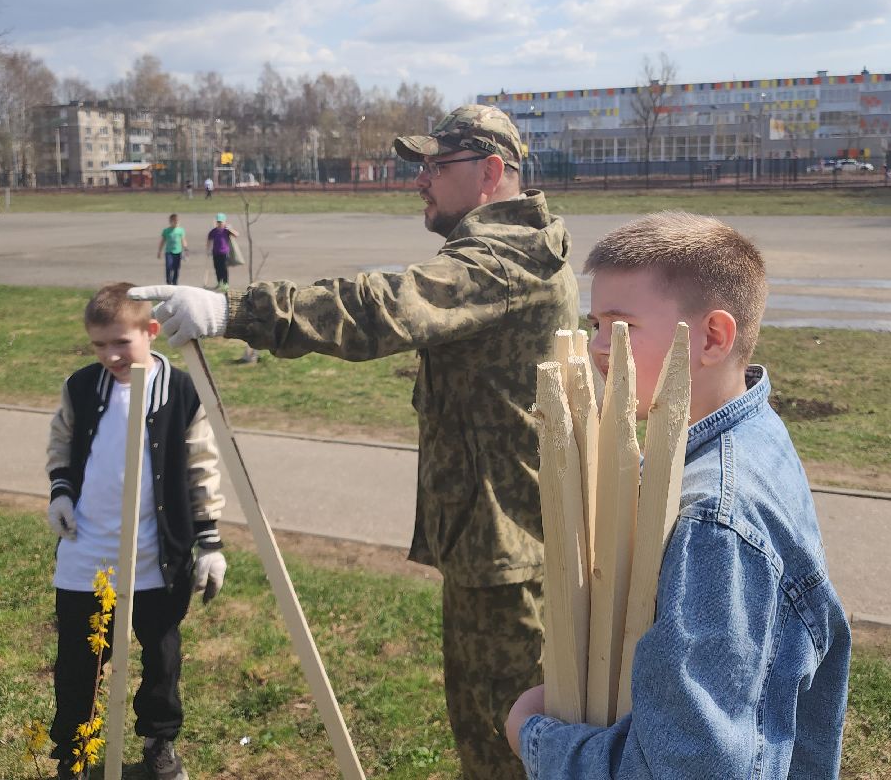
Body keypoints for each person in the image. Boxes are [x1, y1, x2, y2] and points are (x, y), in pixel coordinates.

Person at [132, 105, 579, 780]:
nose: (420, 180)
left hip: (511, 550)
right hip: (494, 542)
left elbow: (387, 307)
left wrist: (237, 311)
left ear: (492, 172)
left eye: (436, 165)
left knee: (505, 749)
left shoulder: (508, 259)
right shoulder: (503, 251)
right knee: (485, 738)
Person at [505, 212, 850, 779]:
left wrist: (535, 737)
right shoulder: (752, 430)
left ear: (712, 337)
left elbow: (689, 769)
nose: (595, 348)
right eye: (593, 325)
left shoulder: (711, 521)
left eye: (619, 327)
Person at [44, 283, 227, 780]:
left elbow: (202, 467)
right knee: (79, 661)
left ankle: (158, 744)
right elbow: (61, 441)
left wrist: (209, 541)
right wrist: (61, 493)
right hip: (87, 550)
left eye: (121, 342)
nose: (110, 355)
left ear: (150, 331)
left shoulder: (182, 392)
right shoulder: (81, 387)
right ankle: (75, 754)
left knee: (162, 655)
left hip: (155, 553)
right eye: (99, 345)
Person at [206, 213, 237, 290]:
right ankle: (220, 282)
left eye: (221, 222)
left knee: (224, 269)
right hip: (215, 252)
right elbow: (209, 240)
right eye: (218, 222)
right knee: (217, 268)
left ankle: (226, 283)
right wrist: (208, 250)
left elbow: (236, 235)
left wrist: (230, 229)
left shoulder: (226, 231)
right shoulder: (213, 231)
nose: (219, 224)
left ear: (224, 222)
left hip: (224, 253)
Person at [157, 213, 188, 285]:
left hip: (178, 252)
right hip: (169, 252)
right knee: (168, 266)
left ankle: (175, 282)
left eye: (177, 221)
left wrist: (186, 249)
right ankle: (168, 281)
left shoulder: (181, 230)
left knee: (176, 268)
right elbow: (162, 241)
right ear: (171, 221)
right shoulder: (166, 231)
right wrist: (159, 251)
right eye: (175, 221)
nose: (177, 222)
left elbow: (183, 240)